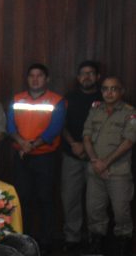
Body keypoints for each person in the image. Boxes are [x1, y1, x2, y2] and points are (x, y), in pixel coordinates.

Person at [6, 63, 65, 251]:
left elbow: (54, 129)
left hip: (45, 158)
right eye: (32, 75)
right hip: (22, 158)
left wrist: (30, 145)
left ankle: (46, 242)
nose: (35, 79)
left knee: (46, 198)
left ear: (47, 79)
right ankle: (24, 240)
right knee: (23, 198)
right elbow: (10, 126)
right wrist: (23, 144)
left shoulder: (56, 100)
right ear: (27, 78)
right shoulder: (17, 99)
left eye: (39, 75)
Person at [82, 77, 135, 255]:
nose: (109, 93)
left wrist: (105, 163)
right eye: (105, 89)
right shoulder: (95, 110)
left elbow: (128, 142)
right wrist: (96, 162)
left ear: (122, 91)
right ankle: (96, 246)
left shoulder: (130, 112)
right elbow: (87, 136)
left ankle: (123, 245)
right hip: (95, 170)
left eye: (114, 89)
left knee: (121, 213)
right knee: (94, 212)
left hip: (118, 172)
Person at [59, 61, 101, 252]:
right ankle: (72, 239)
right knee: (70, 199)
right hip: (71, 155)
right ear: (78, 78)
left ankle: (95, 239)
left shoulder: (104, 97)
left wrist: (87, 147)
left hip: (97, 157)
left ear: (97, 77)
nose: (87, 77)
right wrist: (74, 144)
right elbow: (61, 124)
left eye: (91, 73)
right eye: (83, 74)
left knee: (96, 201)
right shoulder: (69, 98)